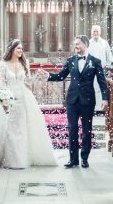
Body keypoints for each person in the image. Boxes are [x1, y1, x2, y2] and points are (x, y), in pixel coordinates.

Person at [0, 39, 57, 169]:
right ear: (11, 49)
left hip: (24, 97)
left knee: (23, 128)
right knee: (9, 129)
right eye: (18, 48)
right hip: (9, 97)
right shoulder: (2, 64)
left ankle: (22, 157)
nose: (20, 51)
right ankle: (11, 159)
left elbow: (28, 82)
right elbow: (2, 85)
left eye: (21, 49)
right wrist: (4, 100)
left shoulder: (24, 63)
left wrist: (37, 76)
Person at [45, 35, 109, 168]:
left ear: (86, 44)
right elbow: (61, 76)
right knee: (72, 129)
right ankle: (73, 159)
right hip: (72, 100)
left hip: (88, 100)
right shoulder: (70, 60)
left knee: (87, 130)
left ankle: (84, 158)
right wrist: (47, 75)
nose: (76, 46)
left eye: (78, 44)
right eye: (75, 44)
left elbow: (102, 82)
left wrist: (105, 99)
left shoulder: (95, 61)